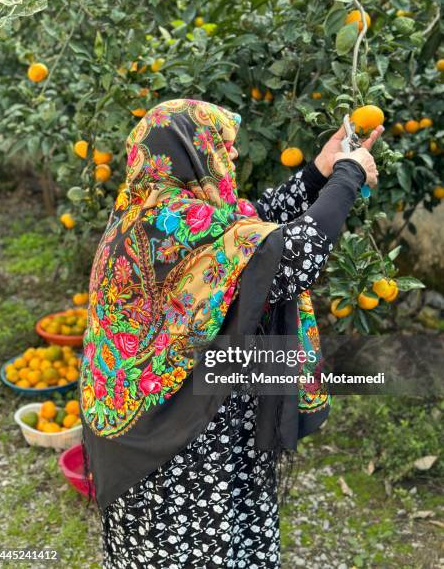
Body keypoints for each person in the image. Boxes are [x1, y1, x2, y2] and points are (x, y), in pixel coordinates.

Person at [79, 98, 382, 569]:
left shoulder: (150, 208)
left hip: (172, 424)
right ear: (191, 151)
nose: (234, 155)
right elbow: (287, 256)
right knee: (200, 550)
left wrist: (319, 171)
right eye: (223, 144)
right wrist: (349, 176)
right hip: (182, 445)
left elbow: (247, 229)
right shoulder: (174, 222)